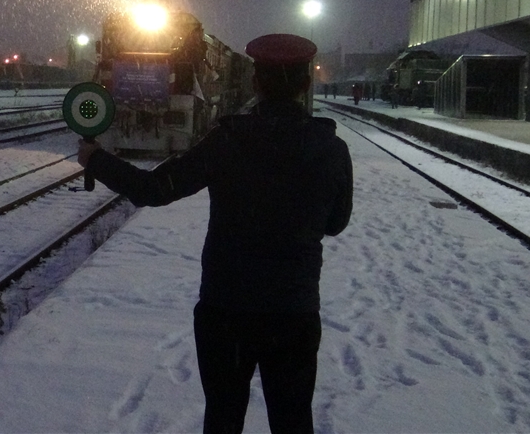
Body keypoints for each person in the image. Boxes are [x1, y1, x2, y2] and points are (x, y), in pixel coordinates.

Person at [77, 33, 353, 434]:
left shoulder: (227, 140)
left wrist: (97, 159)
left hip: (226, 312)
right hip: (293, 313)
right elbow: (335, 223)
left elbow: (155, 190)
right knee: (293, 421)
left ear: (256, 83)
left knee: (222, 418)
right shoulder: (331, 149)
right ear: (306, 83)